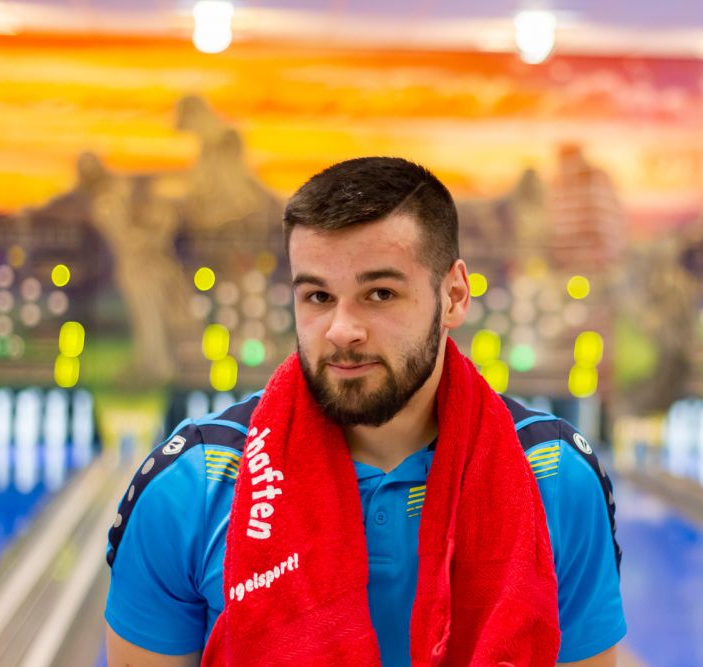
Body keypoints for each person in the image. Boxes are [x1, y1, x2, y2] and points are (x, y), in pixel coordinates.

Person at [104, 157, 626, 666]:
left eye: (379, 293)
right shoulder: (192, 485)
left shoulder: (554, 477)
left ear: (454, 296)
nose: (342, 330)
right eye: (318, 296)